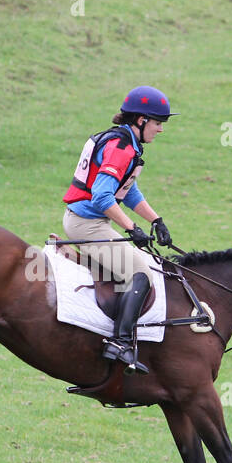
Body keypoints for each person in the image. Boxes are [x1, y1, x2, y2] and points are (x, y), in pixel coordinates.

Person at [62, 85, 176, 374]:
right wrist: (132, 227)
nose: (160, 129)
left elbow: (128, 190)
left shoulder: (127, 144)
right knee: (140, 273)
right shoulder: (121, 148)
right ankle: (120, 343)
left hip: (91, 221)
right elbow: (102, 198)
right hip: (86, 225)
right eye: (158, 123)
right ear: (140, 120)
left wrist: (156, 220)